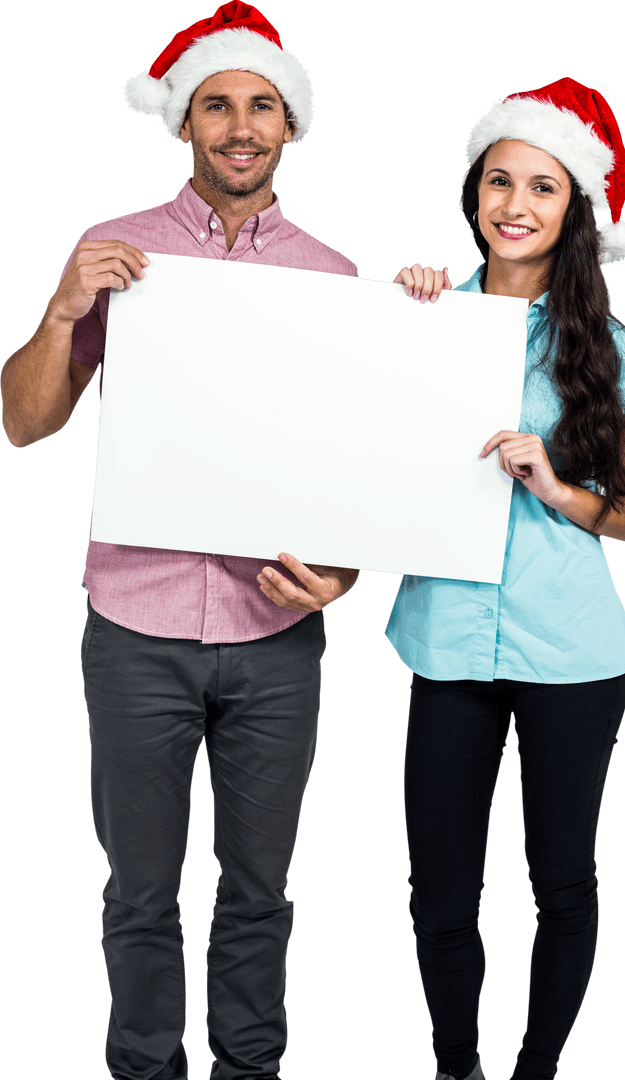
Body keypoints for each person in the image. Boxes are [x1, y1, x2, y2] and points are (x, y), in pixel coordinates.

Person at [0, 5, 360, 1079]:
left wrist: (339, 570)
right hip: (133, 626)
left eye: (260, 105)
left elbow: (351, 465)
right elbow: (23, 423)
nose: (239, 126)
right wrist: (63, 313)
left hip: (275, 631)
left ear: (288, 125)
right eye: (216, 105)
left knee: (260, 892)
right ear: (184, 123)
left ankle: (250, 1070)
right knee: (139, 894)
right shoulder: (116, 249)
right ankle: (143, 1069)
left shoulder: (337, 277)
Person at [389, 78, 625, 1080]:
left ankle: (535, 1072)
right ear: (472, 198)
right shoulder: (417, 321)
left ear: (574, 212)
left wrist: (552, 483)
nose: (515, 202)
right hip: (445, 646)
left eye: (542, 188)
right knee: (438, 897)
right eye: (498, 180)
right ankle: (455, 1065)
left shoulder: (616, 355)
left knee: (563, 885)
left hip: (574, 657)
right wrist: (405, 318)